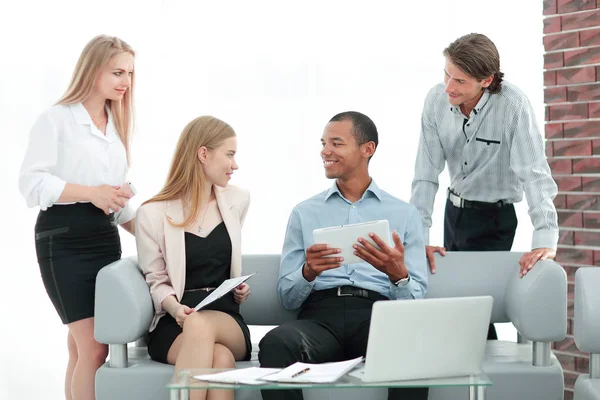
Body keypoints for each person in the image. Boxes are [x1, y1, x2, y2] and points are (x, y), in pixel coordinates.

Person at [258, 112, 429, 400]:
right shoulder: (304, 212)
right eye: (324, 143)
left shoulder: (405, 214)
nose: (325, 151)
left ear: (367, 149)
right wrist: (307, 273)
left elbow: (416, 299)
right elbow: (288, 297)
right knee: (275, 343)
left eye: (336, 143)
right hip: (320, 319)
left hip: (377, 317)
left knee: (412, 344)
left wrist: (398, 274)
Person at [410, 33, 559, 340]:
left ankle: (484, 379)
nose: (449, 87)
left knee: (475, 310)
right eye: (446, 75)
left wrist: (545, 239)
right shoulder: (435, 100)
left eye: (460, 81)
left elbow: (534, 174)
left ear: (486, 80)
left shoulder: (513, 106)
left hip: (495, 219)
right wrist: (418, 238)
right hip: (454, 214)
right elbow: (425, 174)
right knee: (455, 305)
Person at [18, 35, 136, 400]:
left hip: (104, 239)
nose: (126, 82)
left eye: (130, 73)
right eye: (118, 72)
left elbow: (116, 201)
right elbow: (31, 183)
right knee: (96, 349)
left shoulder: (115, 127)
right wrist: (92, 193)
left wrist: (158, 231)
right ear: (93, 69)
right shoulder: (57, 119)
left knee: (81, 349)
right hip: (63, 239)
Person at [135, 116, 252, 400]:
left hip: (226, 318)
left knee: (200, 324)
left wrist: (237, 289)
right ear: (203, 154)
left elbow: (225, 263)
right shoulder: (152, 213)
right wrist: (175, 309)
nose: (235, 165)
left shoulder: (238, 200)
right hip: (173, 320)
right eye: (230, 154)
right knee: (220, 358)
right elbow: (156, 280)